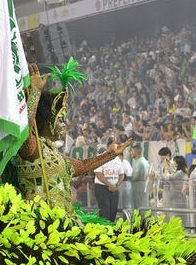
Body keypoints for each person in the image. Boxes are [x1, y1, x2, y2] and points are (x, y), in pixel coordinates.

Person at [16, 64, 130, 218]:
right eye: (60, 120)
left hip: (64, 222)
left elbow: (82, 166)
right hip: (37, 225)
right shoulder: (31, 148)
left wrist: (110, 155)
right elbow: (24, 129)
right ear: (48, 122)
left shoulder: (52, 153)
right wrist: (35, 92)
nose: (64, 125)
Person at [93, 144, 126, 222]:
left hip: (114, 188)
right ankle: (105, 231)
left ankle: (111, 230)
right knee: (105, 212)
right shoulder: (100, 157)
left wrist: (117, 184)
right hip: (102, 188)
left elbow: (122, 174)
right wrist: (109, 184)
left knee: (113, 212)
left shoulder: (117, 159)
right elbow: (98, 174)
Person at [129, 144, 151, 211]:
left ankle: (140, 221)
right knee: (143, 206)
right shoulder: (144, 161)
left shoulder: (140, 163)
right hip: (143, 185)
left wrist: (127, 177)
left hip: (138, 186)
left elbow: (135, 177)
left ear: (136, 152)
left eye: (131, 151)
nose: (130, 153)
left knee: (139, 207)